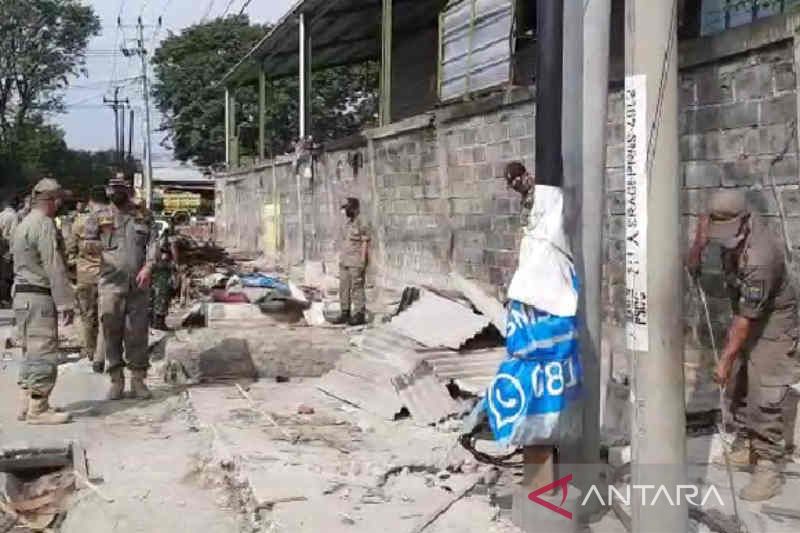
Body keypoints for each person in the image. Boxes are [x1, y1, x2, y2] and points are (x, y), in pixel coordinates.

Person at [687, 189, 800, 501]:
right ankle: (746, 444)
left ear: (745, 221)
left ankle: (768, 465)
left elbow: (746, 320)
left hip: (772, 320)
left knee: (764, 389)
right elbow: (704, 221)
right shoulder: (717, 219)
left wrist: (723, 359)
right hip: (745, 312)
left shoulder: (762, 256)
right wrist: (697, 248)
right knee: (737, 381)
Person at [85, 175, 157, 400]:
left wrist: (149, 266)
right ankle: (116, 380)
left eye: (119, 188)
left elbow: (154, 243)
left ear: (127, 190)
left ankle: (138, 380)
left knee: (137, 332)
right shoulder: (98, 216)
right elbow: (86, 243)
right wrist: (101, 250)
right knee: (111, 331)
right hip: (110, 283)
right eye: (111, 188)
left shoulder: (143, 216)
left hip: (138, 284)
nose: (115, 192)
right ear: (107, 191)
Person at [12, 178, 74, 425]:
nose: (61, 204)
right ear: (52, 200)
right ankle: (39, 408)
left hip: (22, 296)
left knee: (30, 351)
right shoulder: (44, 224)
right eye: (59, 199)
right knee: (44, 352)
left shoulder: (24, 222)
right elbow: (53, 264)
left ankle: (27, 403)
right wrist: (65, 301)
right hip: (38, 295)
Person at [68, 186, 108, 366]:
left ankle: (91, 351)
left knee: (87, 316)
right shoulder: (113, 219)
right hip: (109, 275)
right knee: (107, 315)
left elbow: (70, 249)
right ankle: (104, 352)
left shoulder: (79, 222)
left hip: (85, 275)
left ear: (90, 201)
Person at [333, 198, 370, 326]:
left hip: (355, 261)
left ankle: (359, 313)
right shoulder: (347, 223)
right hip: (345, 260)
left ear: (354, 208)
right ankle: (345, 312)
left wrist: (363, 260)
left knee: (356, 287)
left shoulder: (362, 223)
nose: (346, 211)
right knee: (344, 287)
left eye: (347, 208)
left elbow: (365, 241)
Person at [150, 239, 176, 331]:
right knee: (159, 303)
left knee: (163, 304)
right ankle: (157, 323)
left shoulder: (167, 263)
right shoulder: (158, 262)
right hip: (159, 285)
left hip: (164, 284)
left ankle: (159, 323)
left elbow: (173, 265)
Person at [0, 197, 19, 305]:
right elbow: (14, 235)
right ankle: (5, 299)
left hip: (0, 247)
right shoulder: (14, 216)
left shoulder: (0, 215)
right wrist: (12, 251)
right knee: (7, 275)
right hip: (7, 248)